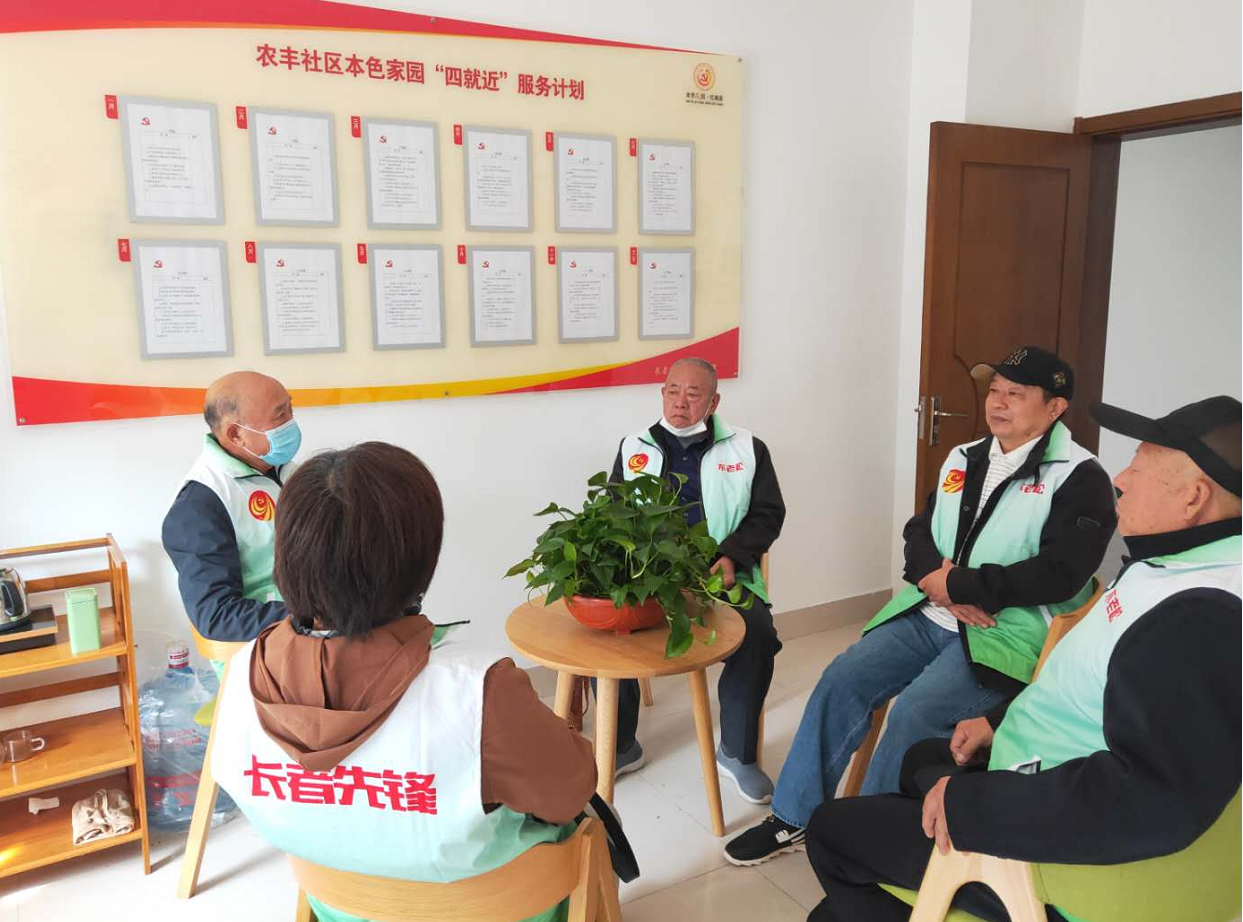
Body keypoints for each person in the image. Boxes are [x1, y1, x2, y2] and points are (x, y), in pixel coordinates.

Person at [804, 395, 1241, 922]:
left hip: (1058, 865)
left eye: (1140, 468)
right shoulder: (1177, 565)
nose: (1121, 479)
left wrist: (974, 808)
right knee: (920, 759)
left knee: (832, 831)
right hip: (1045, 758)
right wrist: (997, 721)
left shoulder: (1200, 615)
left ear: (1194, 498)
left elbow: (1152, 799)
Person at [726, 346, 1117, 866]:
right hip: (929, 611)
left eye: (1015, 394)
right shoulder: (965, 456)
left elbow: (1063, 572)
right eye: (994, 390)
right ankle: (793, 816)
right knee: (841, 678)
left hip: (1004, 632)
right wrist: (937, 581)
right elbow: (920, 530)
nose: (997, 403)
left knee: (915, 712)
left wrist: (963, 587)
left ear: (1055, 407)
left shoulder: (1081, 477)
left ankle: (868, 844)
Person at [210, 443, 598, 922]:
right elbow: (571, 790)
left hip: (339, 907)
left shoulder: (241, 677)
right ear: (418, 557)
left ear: (288, 555)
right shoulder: (476, 691)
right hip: (499, 909)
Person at [609, 357, 786, 803]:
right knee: (609, 628)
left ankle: (737, 753)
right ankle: (621, 745)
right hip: (650, 576)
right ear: (662, 393)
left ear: (713, 402)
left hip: (720, 573)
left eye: (693, 394)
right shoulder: (634, 447)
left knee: (757, 633)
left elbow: (768, 514)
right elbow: (611, 515)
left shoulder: (748, 449)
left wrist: (733, 555)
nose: (680, 403)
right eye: (672, 391)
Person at [162, 371, 301, 647]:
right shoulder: (200, 504)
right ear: (236, 434)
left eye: (290, 409)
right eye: (280, 415)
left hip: (320, 630)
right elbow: (217, 615)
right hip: (263, 649)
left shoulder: (288, 471)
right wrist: (315, 617)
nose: (291, 423)